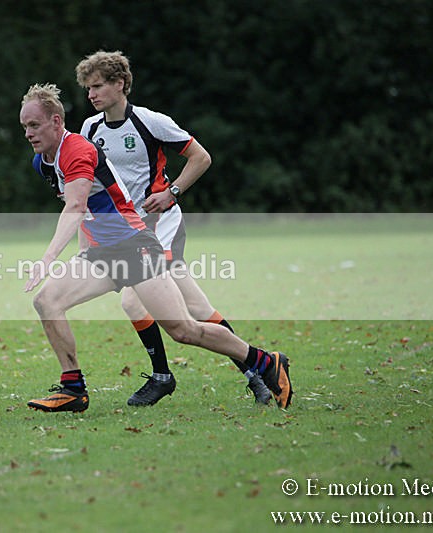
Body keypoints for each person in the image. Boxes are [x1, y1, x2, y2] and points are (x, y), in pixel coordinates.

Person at [19, 82, 292, 413]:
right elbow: (88, 211)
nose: (28, 133)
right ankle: (73, 389)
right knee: (47, 301)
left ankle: (264, 361)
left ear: (56, 122)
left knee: (183, 330)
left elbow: (75, 207)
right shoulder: (43, 162)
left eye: (34, 125)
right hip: (102, 253)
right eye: (24, 127)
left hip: (135, 247)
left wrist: (48, 259)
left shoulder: (76, 150)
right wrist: (83, 254)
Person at [74, 50, 271, 406]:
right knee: (196, 306)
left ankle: (166, 377)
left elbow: (201, 157)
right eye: (88, 88)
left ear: (120, 84)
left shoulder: (150, 121)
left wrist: (172, 192)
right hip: (124, 232)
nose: (91, 94)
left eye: (98, 86)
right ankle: (257, 371)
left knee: (133, 301)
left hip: (158, 225)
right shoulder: (89, 129)